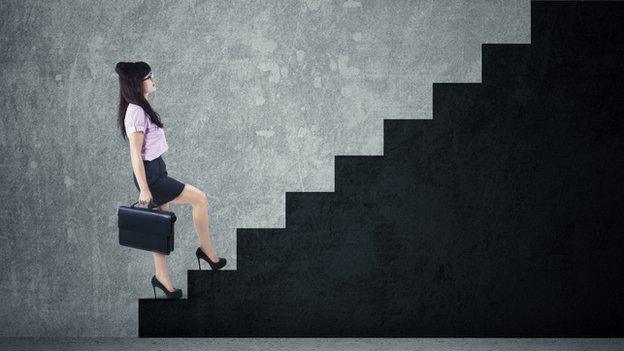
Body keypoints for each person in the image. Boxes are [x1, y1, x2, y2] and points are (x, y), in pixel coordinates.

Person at [115, 61, 226, 299]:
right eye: (149, 77)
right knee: (200, 199)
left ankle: (162, 279)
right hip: (151, 176)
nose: (153, 79)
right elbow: (135, 154)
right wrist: (144, 188)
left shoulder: (140, 107)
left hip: (156, 170)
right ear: (137, 83)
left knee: (160, 226)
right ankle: (208, 254)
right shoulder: (135, 111)